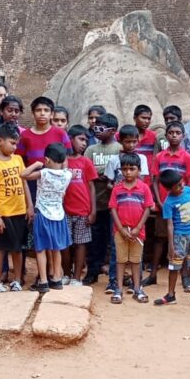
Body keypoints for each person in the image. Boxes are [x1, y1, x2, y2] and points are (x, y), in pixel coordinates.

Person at [0, 122, 33, 293]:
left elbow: (24, 184)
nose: (15, 146)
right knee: (1, 248)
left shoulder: (18, 159)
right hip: (3, 213)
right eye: (12, 143)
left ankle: (17, 280)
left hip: (19, 210)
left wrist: (30, 206)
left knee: (18, 248)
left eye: (16, 143)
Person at [151, 121, 190, 289]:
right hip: (163, 204)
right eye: (171, 132)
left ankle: (185, 277)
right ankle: (152, 274)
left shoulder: (187, 157)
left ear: (183, 136)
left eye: (178, 133)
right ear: (166, 135)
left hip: (181, 207)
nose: (174, 135)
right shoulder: (159, 157)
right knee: (159, 238)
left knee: (183, 241)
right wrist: (158, 200)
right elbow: (155, 180)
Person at [21, 143, 74, 292]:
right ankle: (57, 279)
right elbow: (66, 167)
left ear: (47, 159)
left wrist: (37, 164)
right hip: (59, 215)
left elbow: (23, 175)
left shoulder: (43, 173)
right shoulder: (68, 174)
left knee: (41, 249)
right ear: (64, 160)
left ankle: (43, 281)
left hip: (43, 214)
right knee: (56, 248)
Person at [155, 168, 190, 308]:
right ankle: (170, 294)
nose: (181, 186)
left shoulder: (189, 191)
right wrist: (171, 246)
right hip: (179, 237)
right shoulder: (168, 203)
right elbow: (170, 225)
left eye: (181, 182)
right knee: (174, 266)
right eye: (177, 185)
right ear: (168, 189)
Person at [108, 153, 154, 304]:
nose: (128, 172)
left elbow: (147, 208)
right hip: (120, 231)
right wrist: (121, 229)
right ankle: (119, 289)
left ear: (139, 170)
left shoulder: (144, 188)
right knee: (120, 260)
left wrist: (137, 228)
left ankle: (137, 288)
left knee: (136, 260)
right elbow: (113, 209)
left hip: (137, 231)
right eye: (125, 169)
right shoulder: (117, 189)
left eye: (132, 169)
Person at [86, 113, 121, 289]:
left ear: (112, 131)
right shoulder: (91, 150)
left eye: (100, 129)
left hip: (115, 206)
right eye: (95, 128)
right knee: (95, 240)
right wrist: (102, 175)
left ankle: (114, 278)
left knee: (113, 242)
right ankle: (92, 272)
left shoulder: (119, 149)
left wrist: (101, 175)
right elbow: (88, 173)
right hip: (95, 203)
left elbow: (118, 176)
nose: (96, 131)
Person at [63, 125, 97, 286]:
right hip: (63, 211)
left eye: (86, 140)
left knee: (80, 244)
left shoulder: (86, 162)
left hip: (83, 210)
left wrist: (93, 210)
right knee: (65, 244)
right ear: (70, 139)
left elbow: (91, 187)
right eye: (81, 139)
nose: (84, 143)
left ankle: (77, 277)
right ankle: (65, 273)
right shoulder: (62, 161)